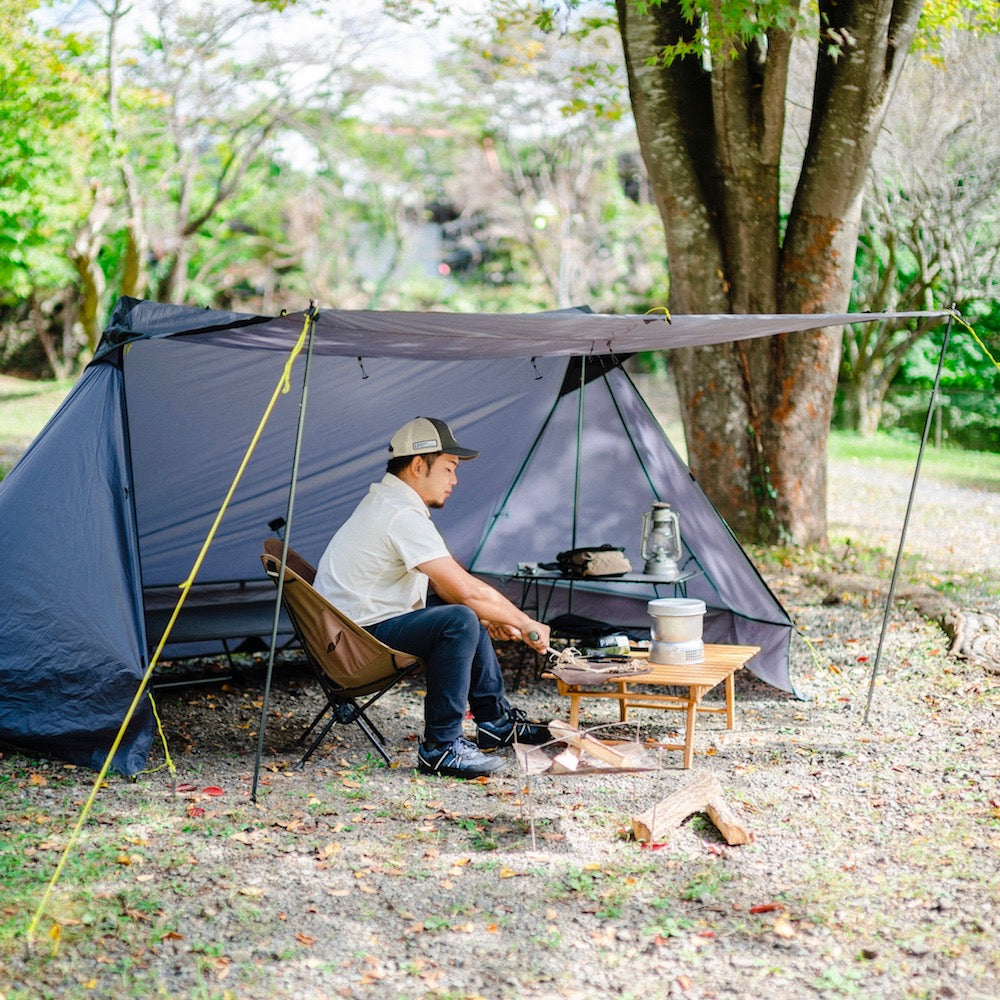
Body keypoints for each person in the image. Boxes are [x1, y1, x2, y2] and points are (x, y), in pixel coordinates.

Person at [314, 416, 552, 779]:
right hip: (356, 644)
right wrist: (524, 622)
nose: (455, 480)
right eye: (449, 468)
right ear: (418, 465)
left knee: (463, 612)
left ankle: (495, 722)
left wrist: (493, 616)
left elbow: (448, 586)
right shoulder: (399, 514)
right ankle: (441, 747)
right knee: (458, 618)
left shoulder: (389, 503)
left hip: (350, 631)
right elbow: (465, 588)